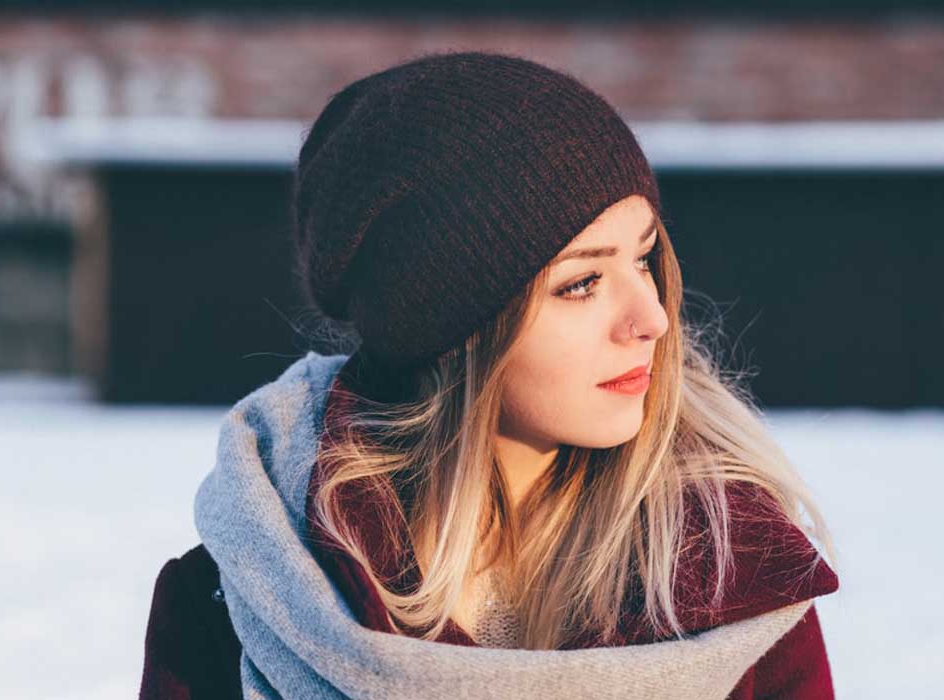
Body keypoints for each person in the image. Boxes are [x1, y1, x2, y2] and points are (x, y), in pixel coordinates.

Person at [139, 49, 842, 700]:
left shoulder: (731, 590)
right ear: (453, 331)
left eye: (644, 258)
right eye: (581, 284)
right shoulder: (240, 603)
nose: (652, 318)